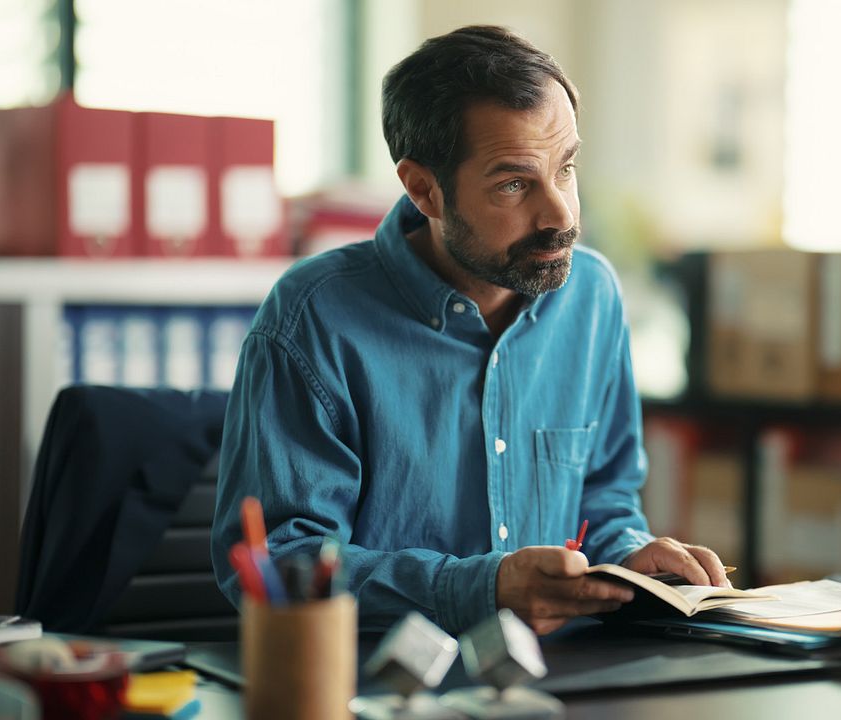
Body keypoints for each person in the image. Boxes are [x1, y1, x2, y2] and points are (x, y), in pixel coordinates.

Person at [211, 24, 729, 636]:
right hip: (379, 687)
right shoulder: (314, 318)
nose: (560, 213)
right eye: (514, 184)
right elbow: (282, 566)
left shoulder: (591, 296)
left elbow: (603, 504)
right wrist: (480, 589)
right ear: (423, 189)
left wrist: (627, 559)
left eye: (566, 168)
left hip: (562, 682)